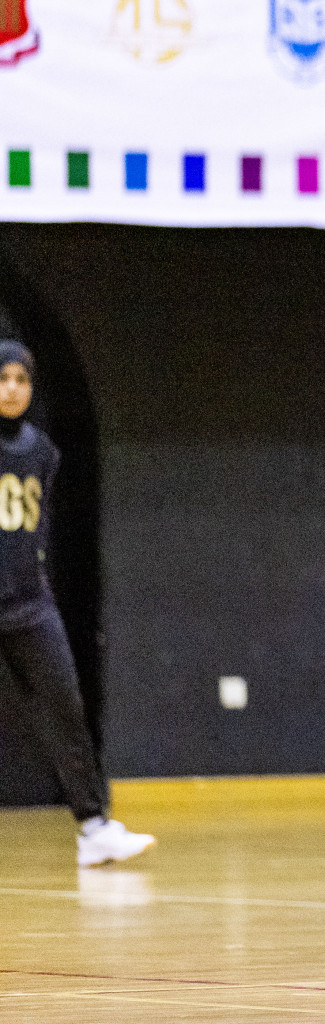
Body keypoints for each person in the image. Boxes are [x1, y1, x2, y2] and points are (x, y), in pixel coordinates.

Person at [0, 339, 153, 867]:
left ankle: (93, 828)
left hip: (28, 601)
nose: (13, 388)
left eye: (21, 379)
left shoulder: (43, 451)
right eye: (3, 379)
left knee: (66, 705)